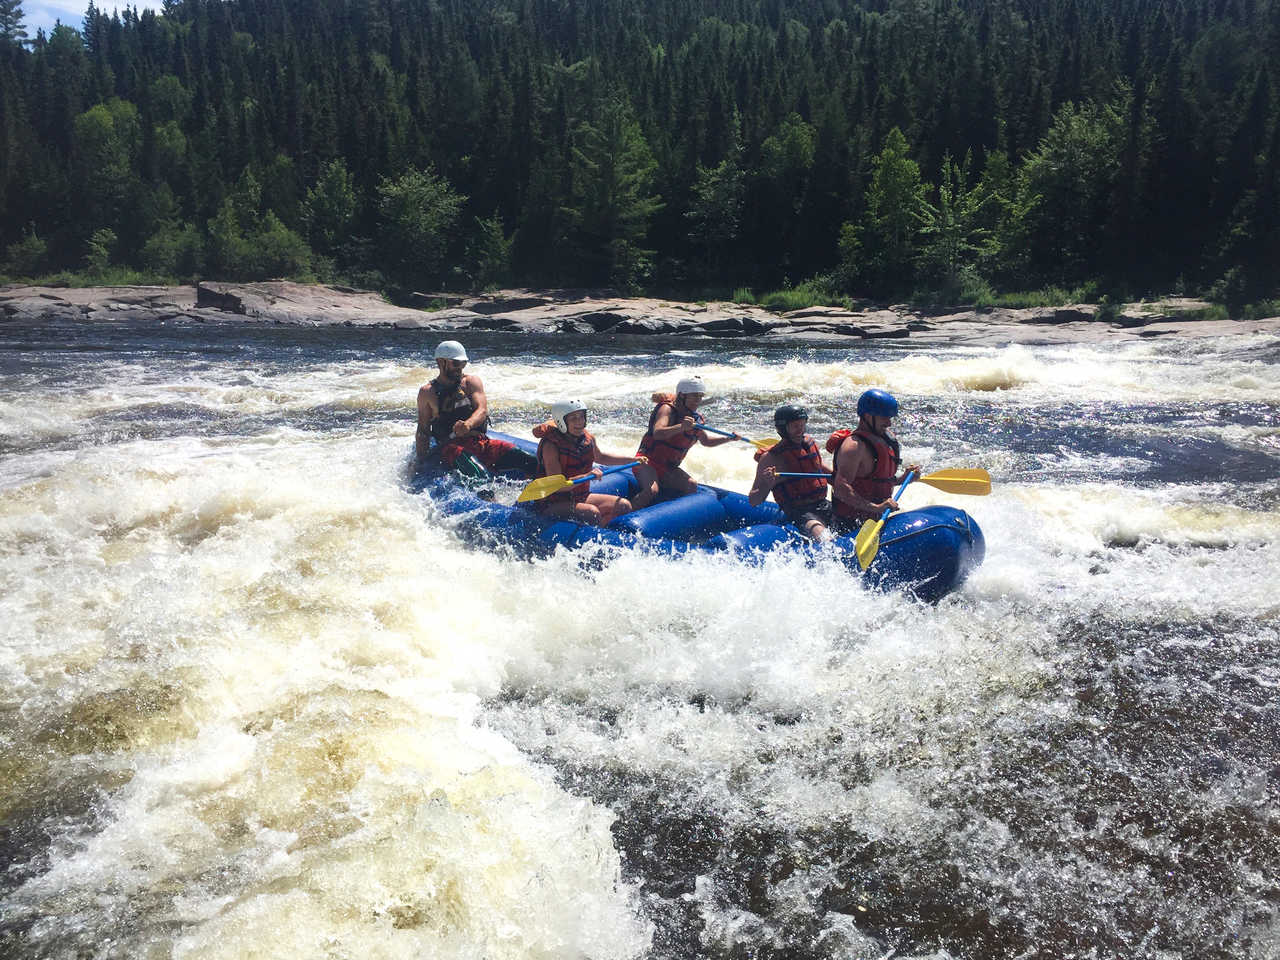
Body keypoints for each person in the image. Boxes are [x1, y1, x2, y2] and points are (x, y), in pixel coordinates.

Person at [416, 340, 537, 476]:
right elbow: (423, 431)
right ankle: (488, 497)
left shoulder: (470, 382)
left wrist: (468, 424)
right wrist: (421, 462)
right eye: (456, 363)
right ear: (440, 362)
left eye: (463, 364)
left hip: (480, 442)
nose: (460, 368)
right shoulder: (427, 393)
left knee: (532, 462)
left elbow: (482, 410)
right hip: (450, 448)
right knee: (481, 476)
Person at [630, 377, 740, 508]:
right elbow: (658, 433)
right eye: (694, 396)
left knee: (691, 485)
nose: (698, 401)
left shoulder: (695, 419)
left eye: (700, 396)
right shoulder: (667, 409)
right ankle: (620, 517)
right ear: (682, 396)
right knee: (651, 490)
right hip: (646, 461)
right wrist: (681, 427)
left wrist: (729, 438)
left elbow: (706, 441)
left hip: (668, 467)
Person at [826, 388, 921, 531]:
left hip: (877, 519)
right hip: (850, 525)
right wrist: (876, 508)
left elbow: (875, 482)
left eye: (890, 417)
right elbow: (841, 489)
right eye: (884, 417)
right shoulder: (853, 447)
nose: (889, 423)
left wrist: (903, 479)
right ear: (867, 416)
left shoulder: (884, 438)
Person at [531, 400, 638, 525]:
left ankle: (605, 533)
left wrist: (632, 460)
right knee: (592, 512)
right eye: (574, 418)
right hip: (553, 502)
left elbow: (601, 457)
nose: (580, 422)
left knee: (624, 505)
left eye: (582, 416)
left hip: (579, 496)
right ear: (562, 422)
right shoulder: (551, 446)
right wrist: (586, 476)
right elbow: (557, 486)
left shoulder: (588, 438)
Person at [748, 403, 834, 540]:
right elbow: (753, 500)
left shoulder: (809, 444)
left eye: (802, 425)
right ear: (783, 428)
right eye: (795, 426)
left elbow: (822, 470)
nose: (800, 430)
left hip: (822, 504)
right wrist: (768, 483)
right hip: (799, 512)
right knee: (823, 536)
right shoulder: (771, 458)